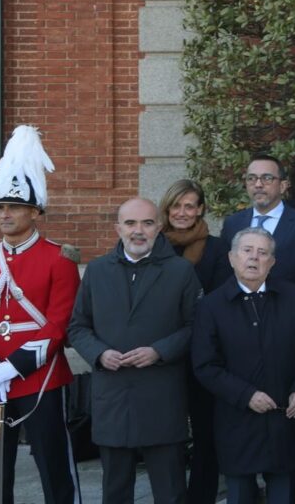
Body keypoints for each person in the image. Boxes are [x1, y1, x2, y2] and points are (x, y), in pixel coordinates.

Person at [0, 127, 82, 504]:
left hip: (39, 377)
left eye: (14, 207)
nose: (5, 214)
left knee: (54, 465)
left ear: (34, 211)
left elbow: (59, 323)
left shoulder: (58, 259)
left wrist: (13, 366)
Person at [69, 196, 202, 504]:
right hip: (112, 395)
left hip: (162, 395)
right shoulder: (98, 271)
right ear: (118, 228)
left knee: (170, 491)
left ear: (158, 227)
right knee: (115, 491)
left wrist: (160, 350)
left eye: (146, 223)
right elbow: (78, 327)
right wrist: (100, 354)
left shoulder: (180, 271)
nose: (138, 231)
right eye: (130, 223)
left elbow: (197, 327)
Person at [191, 227, 295, 504]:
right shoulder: (211, 306)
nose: (254, 258)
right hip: (236, 420)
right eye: (246, 251)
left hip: (286, 415)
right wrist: (246, 395)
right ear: (231, 258)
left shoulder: (294, 297)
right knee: (239, 496)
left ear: (272, 262)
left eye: (263, 253)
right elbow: (205, 365)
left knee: (284, 494)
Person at [156, 179, 228, 503]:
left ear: (200, 209)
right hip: (164, 353)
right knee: (167, 433)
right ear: (167, 210)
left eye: (189, 206)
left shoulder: (216, 248)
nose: (182, 213)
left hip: (204, 354)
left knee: (206, 434)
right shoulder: (154, 248)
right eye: (176, 206)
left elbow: (221, 303)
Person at [222, 154, 295, 286]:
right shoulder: (232, 223)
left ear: (283, 186)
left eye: (267, 178)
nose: (258, 184)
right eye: (251, 178)